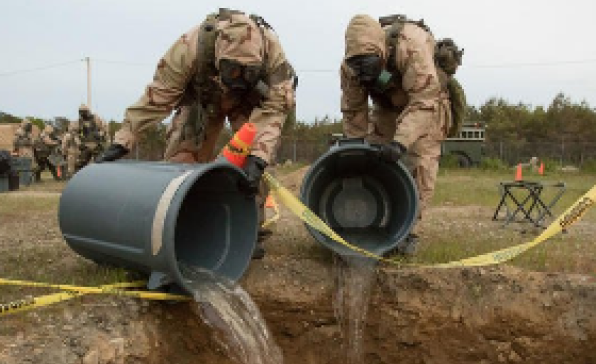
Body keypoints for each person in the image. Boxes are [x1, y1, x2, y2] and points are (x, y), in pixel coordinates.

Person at [97, 8, 296, 259]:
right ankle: (179, 229)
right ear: (218, 56)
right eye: (232, 71)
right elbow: (158, 97)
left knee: (253, 170)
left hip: (251, 104)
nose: (237, 79)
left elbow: (276, 104)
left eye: (246, 73)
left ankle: (247, 231)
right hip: (203, 99)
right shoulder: (190, 48)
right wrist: (123, 140)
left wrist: (258, 155)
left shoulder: (272, 52)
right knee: (180, 166)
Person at [340, 14, 464, 255]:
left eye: (369, 65)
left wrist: (400, 144)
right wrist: (355, 146)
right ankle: (378, 221)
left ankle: (409, 232)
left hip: (427, 103)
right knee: (374, 160)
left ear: (383, 52)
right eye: (358, 66)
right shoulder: (350, 67)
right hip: (387, 107)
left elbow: (423, 101)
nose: (363, 73)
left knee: (420, 165)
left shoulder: (410, 46)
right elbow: (354, 110)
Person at [77, 104, 104, 170]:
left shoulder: (95, 118)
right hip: (85, 145)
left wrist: (100, 136)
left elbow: (103, 130)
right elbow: (76, 134)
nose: (82, 113)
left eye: (83, 111)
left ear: (87, 111)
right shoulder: (79, 122)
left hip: (96, 145)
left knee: (99, 163)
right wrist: (79, 143)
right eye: (80, 112)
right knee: (81, 163)